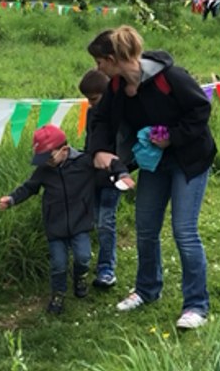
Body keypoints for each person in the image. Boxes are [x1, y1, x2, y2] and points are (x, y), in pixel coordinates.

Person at [85, 26, 216, 330]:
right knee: (146, 228)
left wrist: (173, 136)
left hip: (189, 159)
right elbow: (102, 120)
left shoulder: (171, 78)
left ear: (112, 58)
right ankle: (146, 290)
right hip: (154, 162)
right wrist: (100, 150)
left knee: (184, 231)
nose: (97, 69)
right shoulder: (117, 87)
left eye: (99, 62)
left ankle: (196, 305)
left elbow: (201, 108)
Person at [0, 124, 98, 315]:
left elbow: (104, 168)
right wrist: (11, 199)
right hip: (55, 226)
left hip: (80, 223)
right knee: (58, 264)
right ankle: (58, 295)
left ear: (65, 150)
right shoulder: (44, 170)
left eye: (49, 157)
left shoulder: (84, 163)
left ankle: (80, 277)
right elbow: (29, 188)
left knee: (83, 257)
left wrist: (120, 175)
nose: (46, 162)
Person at [79, 69, 136, 292]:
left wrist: (121, 169)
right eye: (88, 100)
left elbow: (124, 146)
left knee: (106, 222)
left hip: (113, 176)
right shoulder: (93, 113)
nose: (91, 104)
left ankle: (106, 270)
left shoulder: (121, 115)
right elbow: (90, 142)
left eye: (93, 99)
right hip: (93, 175)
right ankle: (83, 263)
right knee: (91, 220)